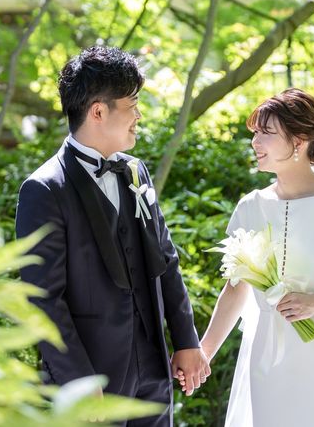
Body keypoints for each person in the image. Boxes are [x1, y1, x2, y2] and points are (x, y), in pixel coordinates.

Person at [16, 46, 210, 426]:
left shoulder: (136, 172)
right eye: (132, 105)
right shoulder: (44, 190)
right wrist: (78, 378)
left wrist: (187, 341)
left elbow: (166, 260)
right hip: (94, 379)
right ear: (98, 112)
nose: (139, 115)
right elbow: (43, 299)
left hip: (153, 372)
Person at [182, 88, 314, 427]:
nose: (255, 142)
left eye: (266, 133)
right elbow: (236, 289)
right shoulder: (250, 206)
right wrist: (204, 353)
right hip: (267, 355)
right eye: (255, 133)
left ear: (299, 141)